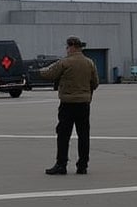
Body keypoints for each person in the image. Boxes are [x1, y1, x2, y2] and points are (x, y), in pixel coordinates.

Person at [38, 36, 99, 175]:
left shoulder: (65, 62)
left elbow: (50, 74)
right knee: (83, 135)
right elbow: (95, 83)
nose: (66, 50)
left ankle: (61, 164)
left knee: (63, 135)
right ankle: (82, 166)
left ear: (71, 46)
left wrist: (39, 71)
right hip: (84, 104)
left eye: (66, 47)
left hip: (68, 104)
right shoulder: (89, 63)